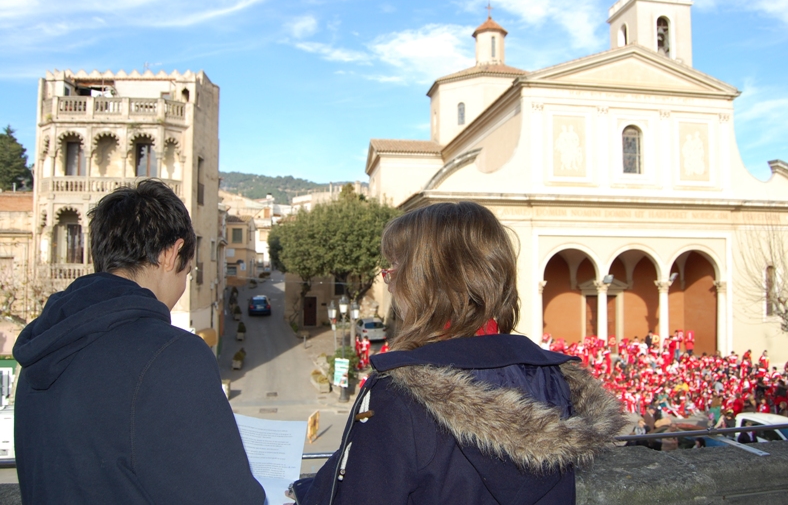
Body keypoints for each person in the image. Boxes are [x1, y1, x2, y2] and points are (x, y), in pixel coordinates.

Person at [289, 202, 626, 504]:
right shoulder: (554, 376)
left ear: (426, 282)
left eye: (394, 267)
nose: (388, 282)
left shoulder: (398, 393)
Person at [13, 180, 265, 505]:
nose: (181, 290)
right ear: (172, 254)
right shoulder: (172, 356)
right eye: (187, 274)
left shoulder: (37, 353)